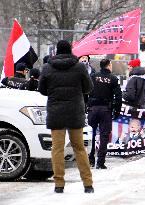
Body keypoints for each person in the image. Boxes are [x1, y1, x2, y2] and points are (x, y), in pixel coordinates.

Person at [38, 40, 94, 194]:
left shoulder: (48, 67)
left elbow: (41, 89)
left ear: (56, 51)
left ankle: (59, 184)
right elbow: (89, 88)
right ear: (70, 50)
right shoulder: (80, 67)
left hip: (56, 112)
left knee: (57, 149)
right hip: (75, 111)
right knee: (79, 148)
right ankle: (88, 184)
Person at [87, 59, 122, 169]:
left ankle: (90, 159)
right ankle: (100, 162)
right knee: (104, 135)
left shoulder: (93, 76)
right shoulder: (113, 78)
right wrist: (117, 111)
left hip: (92, 108)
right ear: (109, 66)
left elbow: (85, 91)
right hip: (105, 110)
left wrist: (86, 105)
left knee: (91, 134)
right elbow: (118, 96)